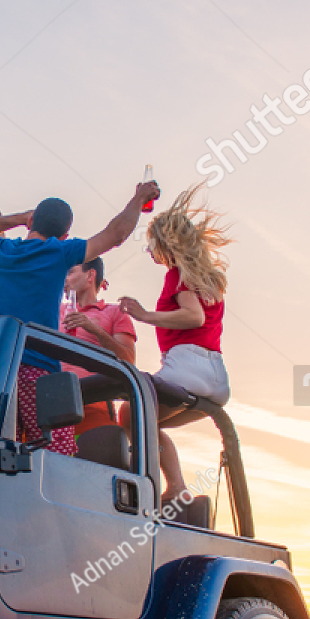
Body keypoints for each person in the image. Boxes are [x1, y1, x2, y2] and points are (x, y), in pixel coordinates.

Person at [0, 179, 159, 455]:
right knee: (58, 457)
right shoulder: (57, 252)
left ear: (32, 222)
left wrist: (19, 218)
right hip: (37, 371)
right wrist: (139, 199)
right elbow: (116, 234)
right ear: (65, 236)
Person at [118, 185, 232, 505]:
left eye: (151, 245)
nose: (149, 251)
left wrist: (143, 315)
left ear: (166, 244)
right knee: (147, 423)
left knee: (130, 411)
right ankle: (175, 486)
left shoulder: (177, 275)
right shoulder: (208, 278)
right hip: (216, 377)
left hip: (187, 365)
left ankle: (157, 486)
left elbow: (193, 317)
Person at [59, 256, 137, 441]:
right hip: (51, 405)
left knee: (92, 466)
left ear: (90, 276)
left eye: (70, 272)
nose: (64, 280)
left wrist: (94, 329)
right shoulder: (54, 309)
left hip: (94, 408)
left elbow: (128, 361)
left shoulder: (115, 312)